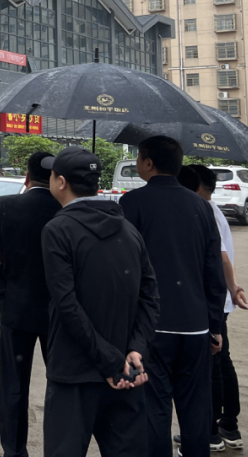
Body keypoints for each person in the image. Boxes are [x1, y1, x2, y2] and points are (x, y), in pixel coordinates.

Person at [40, 146, 161, 457]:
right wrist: (136, 349)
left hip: (75, 373)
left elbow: (67, 305)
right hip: (127, 372)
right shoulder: (129, 230)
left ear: (61, 182)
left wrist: (109, 360)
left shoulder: (57, 230)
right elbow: (150, 297)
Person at [119, 137, 226, 457]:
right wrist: (215, 325)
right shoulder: (202, 207)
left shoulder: (132, 203)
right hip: (195, 327)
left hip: (151, 328)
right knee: (196, 410)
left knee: (154, 409)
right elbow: (213, 271)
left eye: (138, 158)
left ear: (148, 163)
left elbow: (124, 268)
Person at [0, 151, 62, 457]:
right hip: (58, 311)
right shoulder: (64, 208)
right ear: (55, 178)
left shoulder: (7, 205)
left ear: (27, 176)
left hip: (16, 307)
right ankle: (59, 448)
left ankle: (14, 451)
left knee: (14, 386)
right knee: (59, 383)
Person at [179, 165, 248, 451]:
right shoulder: (212, 210)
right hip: (218, 298)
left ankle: (210, 431)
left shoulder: (204, 211)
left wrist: (232, 288)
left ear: (195, 188)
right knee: (221, 361)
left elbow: (221, 258)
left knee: (212, 363)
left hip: (213, 299)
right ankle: (228, 426)